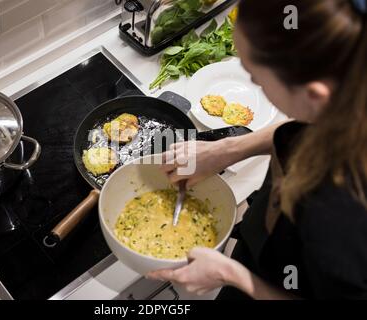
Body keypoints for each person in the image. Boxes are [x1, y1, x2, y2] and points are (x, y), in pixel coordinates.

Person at [147, 0, 367, 299]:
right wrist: (226, 150)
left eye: (256, 77)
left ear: (314, 94)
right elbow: (309, 120)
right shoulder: (351, 86)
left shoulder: (341, 221)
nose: (251, 82)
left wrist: (233, 276)